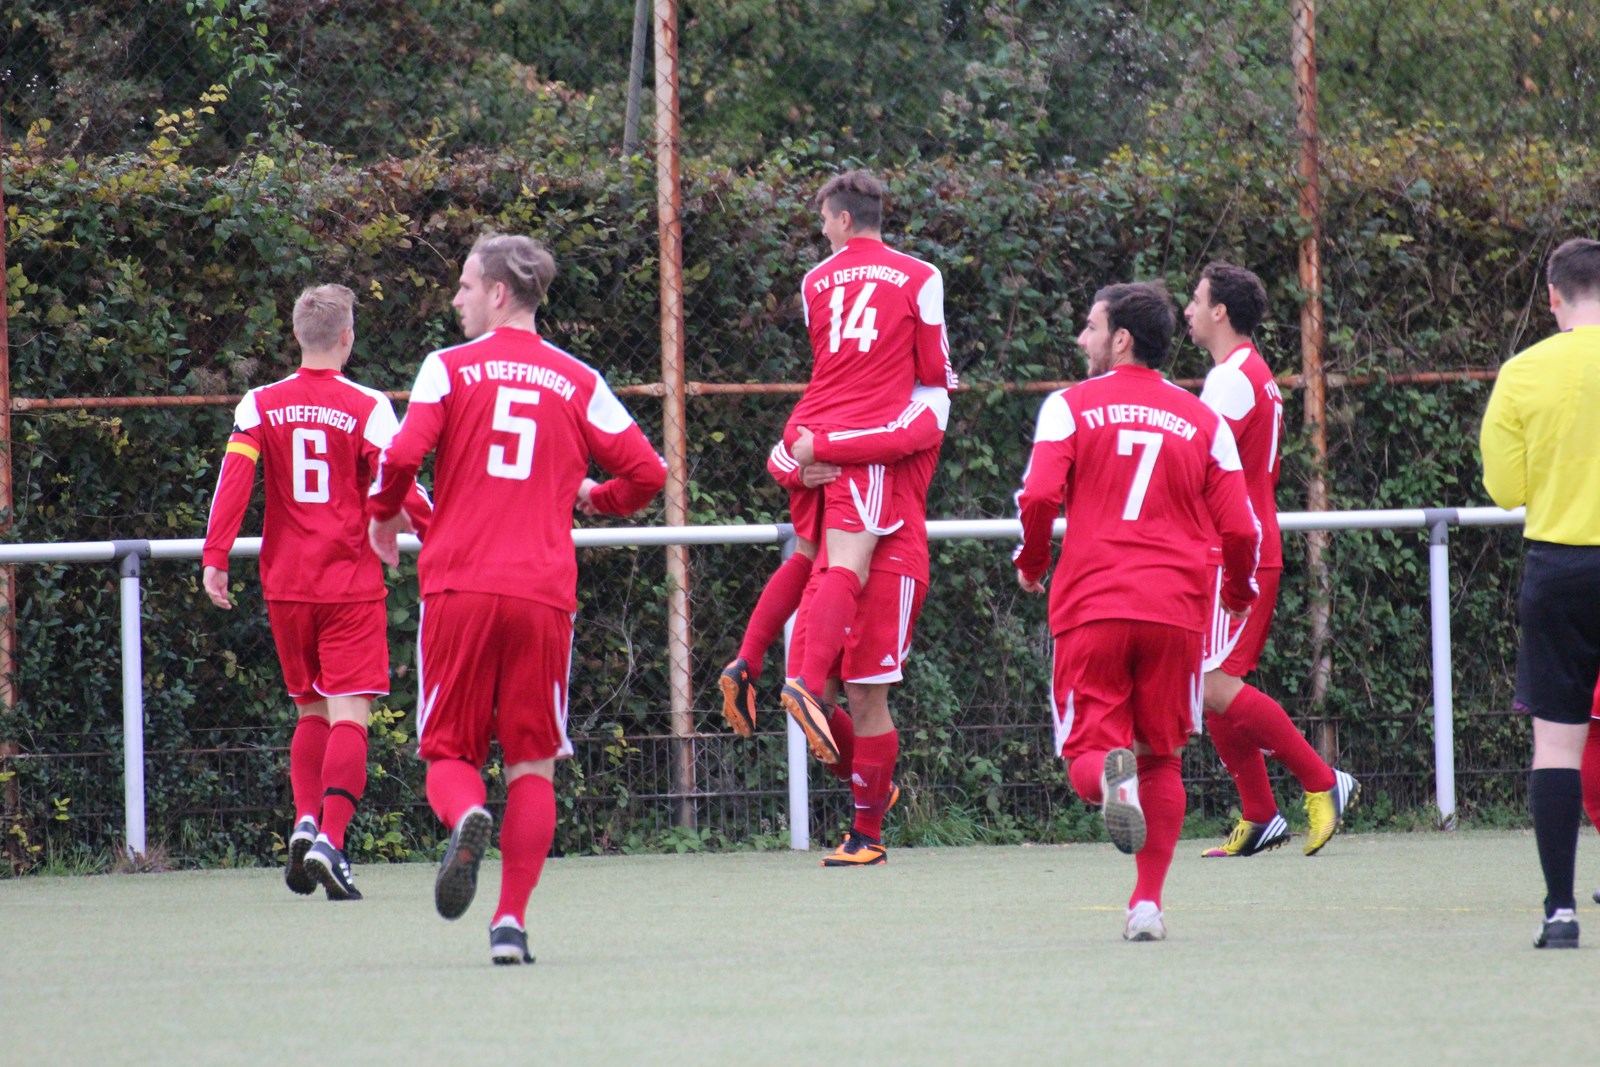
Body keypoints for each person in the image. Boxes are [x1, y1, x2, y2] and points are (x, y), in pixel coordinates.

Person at [367, 233, 666, 965]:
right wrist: (597, 500)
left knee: (447, 748)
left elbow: (402, 456)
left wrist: (382, 515)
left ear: (500, 293)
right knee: (533, 761)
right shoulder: (577, 378)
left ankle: (467, 814)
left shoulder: (447, 368)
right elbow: (649, 473)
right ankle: (509, 925)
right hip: (541, 593)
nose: (457, 298)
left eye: (466, 286)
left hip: (459, 585)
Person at [1013, 281, 1259, 941]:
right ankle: (1146, 905)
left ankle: (1108, 788)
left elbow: (1038, 495)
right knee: (1162, 760)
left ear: (1121, 338)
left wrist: (1033, 562)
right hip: (1176, 610)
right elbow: (1240, 530)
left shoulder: (1067, 406)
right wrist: (1235, 592)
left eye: (1090, 328)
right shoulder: (1202, 418)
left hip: (1092, 602)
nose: (1082, 340)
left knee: (1088, 758)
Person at [202, 283, 431, 902]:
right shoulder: (368, 406)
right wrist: (439, 535)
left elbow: (235, 480)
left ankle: (304, 821)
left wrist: (216, 556)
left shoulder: (259, 403)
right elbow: (399, 481)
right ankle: (331, 839)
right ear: (348, 338)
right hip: (349, 583)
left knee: (309, 709)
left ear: (298, 337)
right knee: (350, 715)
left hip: (286, 585)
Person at [718, 171, 954, 764]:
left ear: (844, 219)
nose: (821, 230)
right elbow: (934, 372)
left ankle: (748, 660)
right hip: (860, 437)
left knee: (806, 550)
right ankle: (803, 683)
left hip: (809, 424)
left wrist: (805, 450)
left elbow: (829, 363)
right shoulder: (922, 276)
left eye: (824, 219)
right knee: (847, 561)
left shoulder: (815, 281)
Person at [1182, 261, 1359, 857]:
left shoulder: (1231, 380)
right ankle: (1260, 815)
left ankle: (1323, 780)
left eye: (1195, 299)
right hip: (1246, 541)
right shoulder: (1248, 374)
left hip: (1236, 547)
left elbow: (1199, 469)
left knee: (1210, 684)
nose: (1187, 310)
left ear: (1220, 312)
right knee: (1217, 685)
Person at [1480, 236, 1600, 950]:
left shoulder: (1523, 373)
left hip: (1558, 568)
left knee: (1556, 743)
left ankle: (1560, 910)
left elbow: (1505, 490)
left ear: (1553, 296)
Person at [772, 386, 949, 865]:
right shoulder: (840, 387)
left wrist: (821, 447)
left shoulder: (928, 400)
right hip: (836, 564)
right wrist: (801, 469)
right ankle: (876, 787)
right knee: (806, 697)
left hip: (892, 560)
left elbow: (890, 441)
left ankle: (866, 835)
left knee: (866, 693)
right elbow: (781, 453)